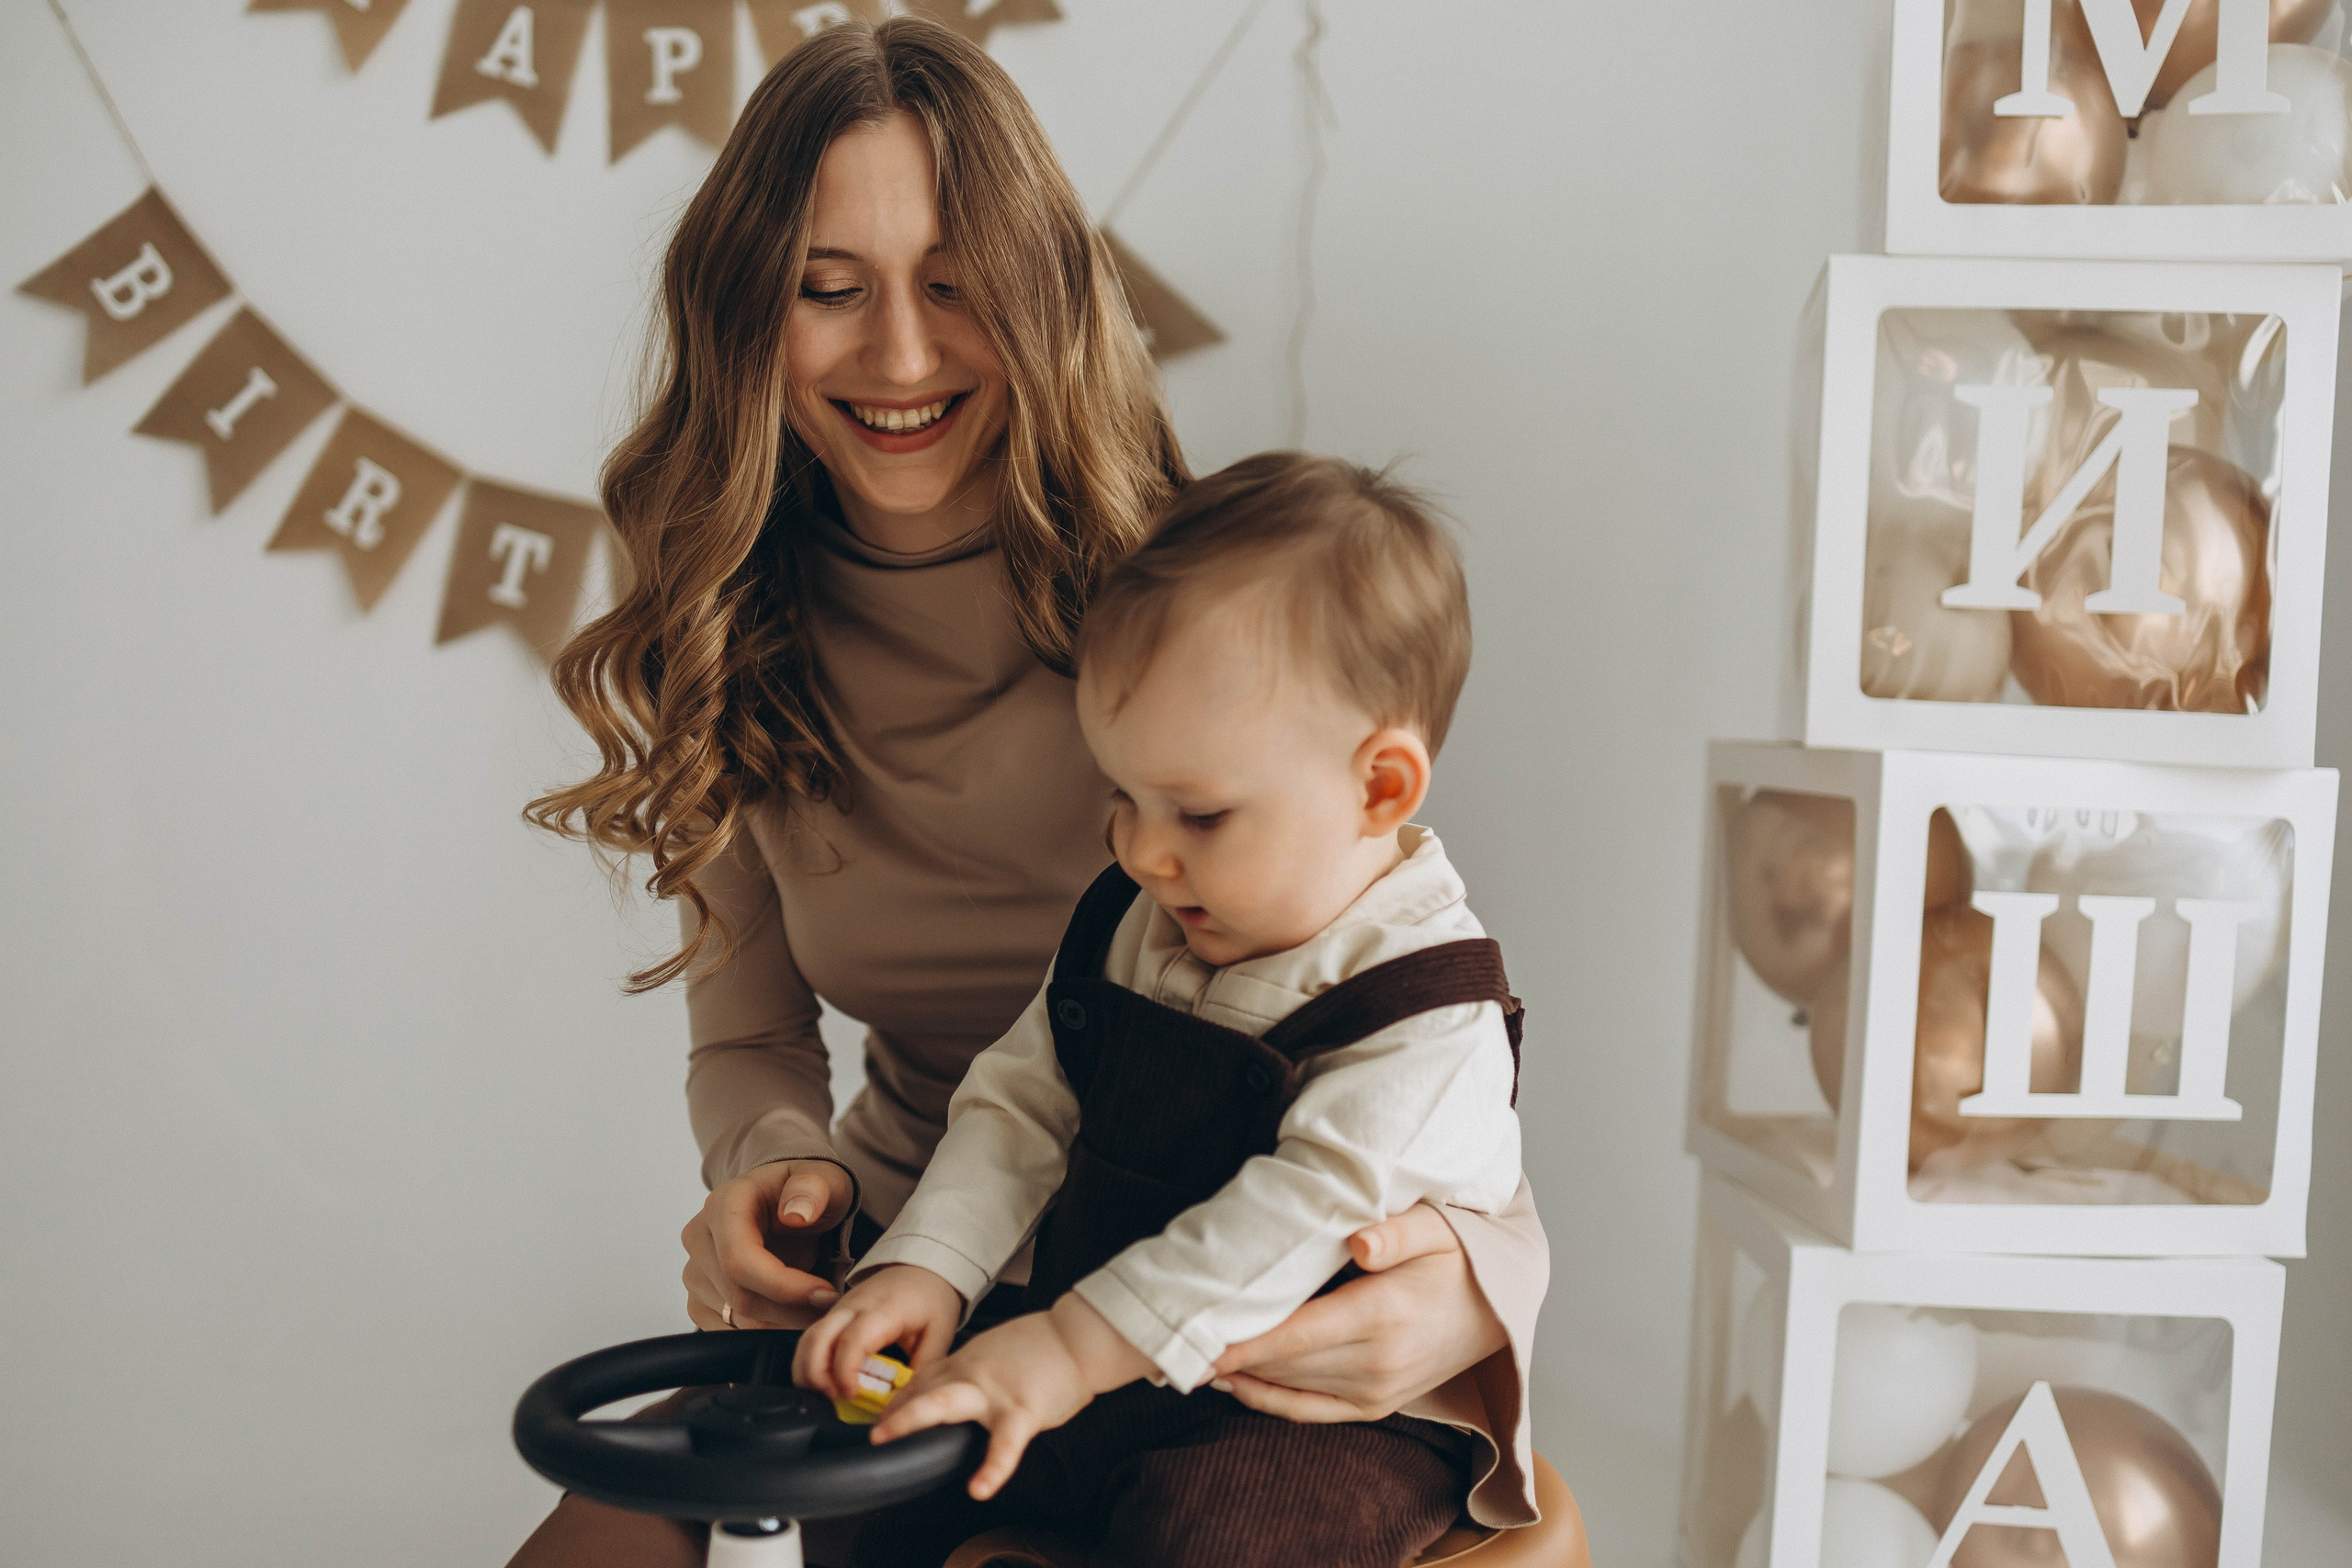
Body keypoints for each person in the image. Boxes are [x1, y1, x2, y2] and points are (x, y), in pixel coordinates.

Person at [511, 18, 1546, 1568]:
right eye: (827, 288)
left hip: (1213, 1265)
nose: (901, 355)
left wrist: (1483, 1285)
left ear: (1041, 294)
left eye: (953, 283)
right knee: (618, 1518)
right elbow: (750, 1038)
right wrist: (773, 1175)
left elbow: (1400, 1022)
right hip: (930, 1249)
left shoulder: (1191, 606)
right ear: (747, 312)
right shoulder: (716, 634)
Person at [796, 454, 1533, 1568]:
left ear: (1379, 788)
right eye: (1121, 797)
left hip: (1305, 1417)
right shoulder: (1140, 918)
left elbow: (1298, 1211)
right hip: (1094, 1360)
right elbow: (1021, 1102)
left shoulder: (1427, 1011)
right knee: (883, 1476)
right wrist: (929, 1265)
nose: (1143, 851)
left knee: (1212, 1542)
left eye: (1196, 812)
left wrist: (1068, 1350)